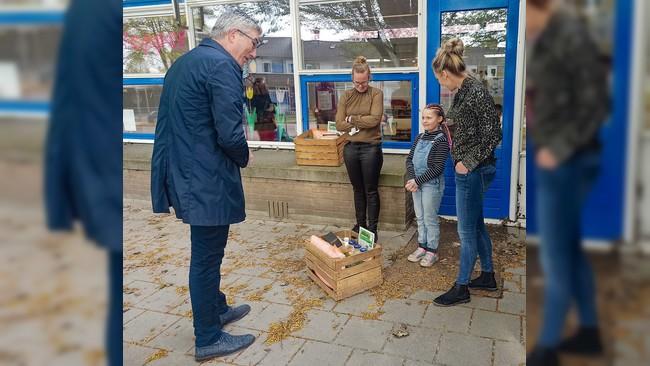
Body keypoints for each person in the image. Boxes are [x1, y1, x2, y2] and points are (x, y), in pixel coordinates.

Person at [150, 10, 262, 362]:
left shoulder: (186, 62)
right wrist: (246, 156)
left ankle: (218, 308)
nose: (254, 52)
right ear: (233, 34)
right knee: (206, 259)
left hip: (184, 172)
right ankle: (208, 337)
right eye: (253, 43)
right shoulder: (221, 66)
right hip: (205, 179)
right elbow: (230, 133)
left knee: (209, 253)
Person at [525, 1, 610, 365]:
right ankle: (590, 330)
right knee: (569, 250)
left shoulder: (570, 34)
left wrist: (557, 150)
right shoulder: (549, 36)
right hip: (563, 158)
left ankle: (546, 349)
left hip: (567, 161)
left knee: (555, 254)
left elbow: (596, 105)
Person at [431, 38, 502, 307]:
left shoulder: (475, 91)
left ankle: (461, 287)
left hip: (474, 171)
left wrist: (468, 162)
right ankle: (487, 276)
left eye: (439, 80)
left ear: (445, 73)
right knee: (476, 224)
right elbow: (468, 124)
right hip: (468, 169)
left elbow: (494, 133)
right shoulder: (462, 91)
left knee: (466, 230)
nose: (441, 85)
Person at [335, 56, 384, 240]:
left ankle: (372, 229)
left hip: (371, 148)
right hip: (351, 148)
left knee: (371, 189)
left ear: (369, 78)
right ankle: (360, 224)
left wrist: (353, 119)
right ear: (352, 78)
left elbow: (375, 120)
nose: (361, 86)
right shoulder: (346, 96)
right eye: (357, 82)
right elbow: (339, 124)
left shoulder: (376, 94)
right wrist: (362, 119)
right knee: (357, 189)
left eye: (364, 82)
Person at [405, 104, 450, 267]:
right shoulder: (419, 138)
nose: (425, 121)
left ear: (439, 119)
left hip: (431, 185)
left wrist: (417, 181)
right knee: (420, 217)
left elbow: (437, 168)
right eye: (423, 117)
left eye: (429, 118)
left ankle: (432, 251)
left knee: (430, 218)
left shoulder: (442, 141)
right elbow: (409, 160)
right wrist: (412, 179)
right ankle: (422, 246)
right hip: (416, 183)